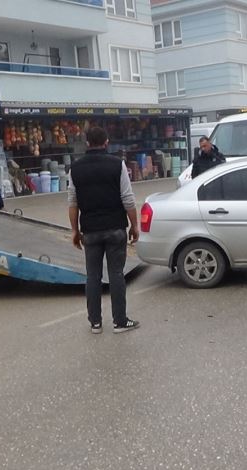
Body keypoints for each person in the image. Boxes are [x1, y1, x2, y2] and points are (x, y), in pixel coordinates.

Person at [68, 126, 140, 335]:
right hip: (115, 228)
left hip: (90, 230)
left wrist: (75, 230)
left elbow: (72, 202)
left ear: (87, 143)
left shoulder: (76, 168)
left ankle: (95, 323)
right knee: (116, 274)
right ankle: (120, 322)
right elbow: (128, 198)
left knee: (93, 276)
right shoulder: (117, 165)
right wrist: (134, 226)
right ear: (106, 142)